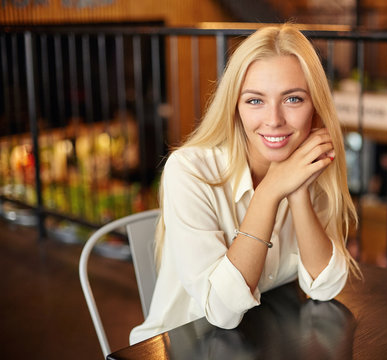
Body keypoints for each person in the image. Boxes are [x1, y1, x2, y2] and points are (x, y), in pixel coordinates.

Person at [129, 24, 360, 344]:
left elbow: (325, 287)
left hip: (255, 342)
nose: (274, 119)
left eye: (293, 99)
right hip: (182, 345)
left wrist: (297, 192)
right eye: (255, 101)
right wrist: (268, 194)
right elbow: (221, 312)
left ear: (315, 108)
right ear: (235, 106)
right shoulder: (190, 171)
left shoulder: (307, 170)